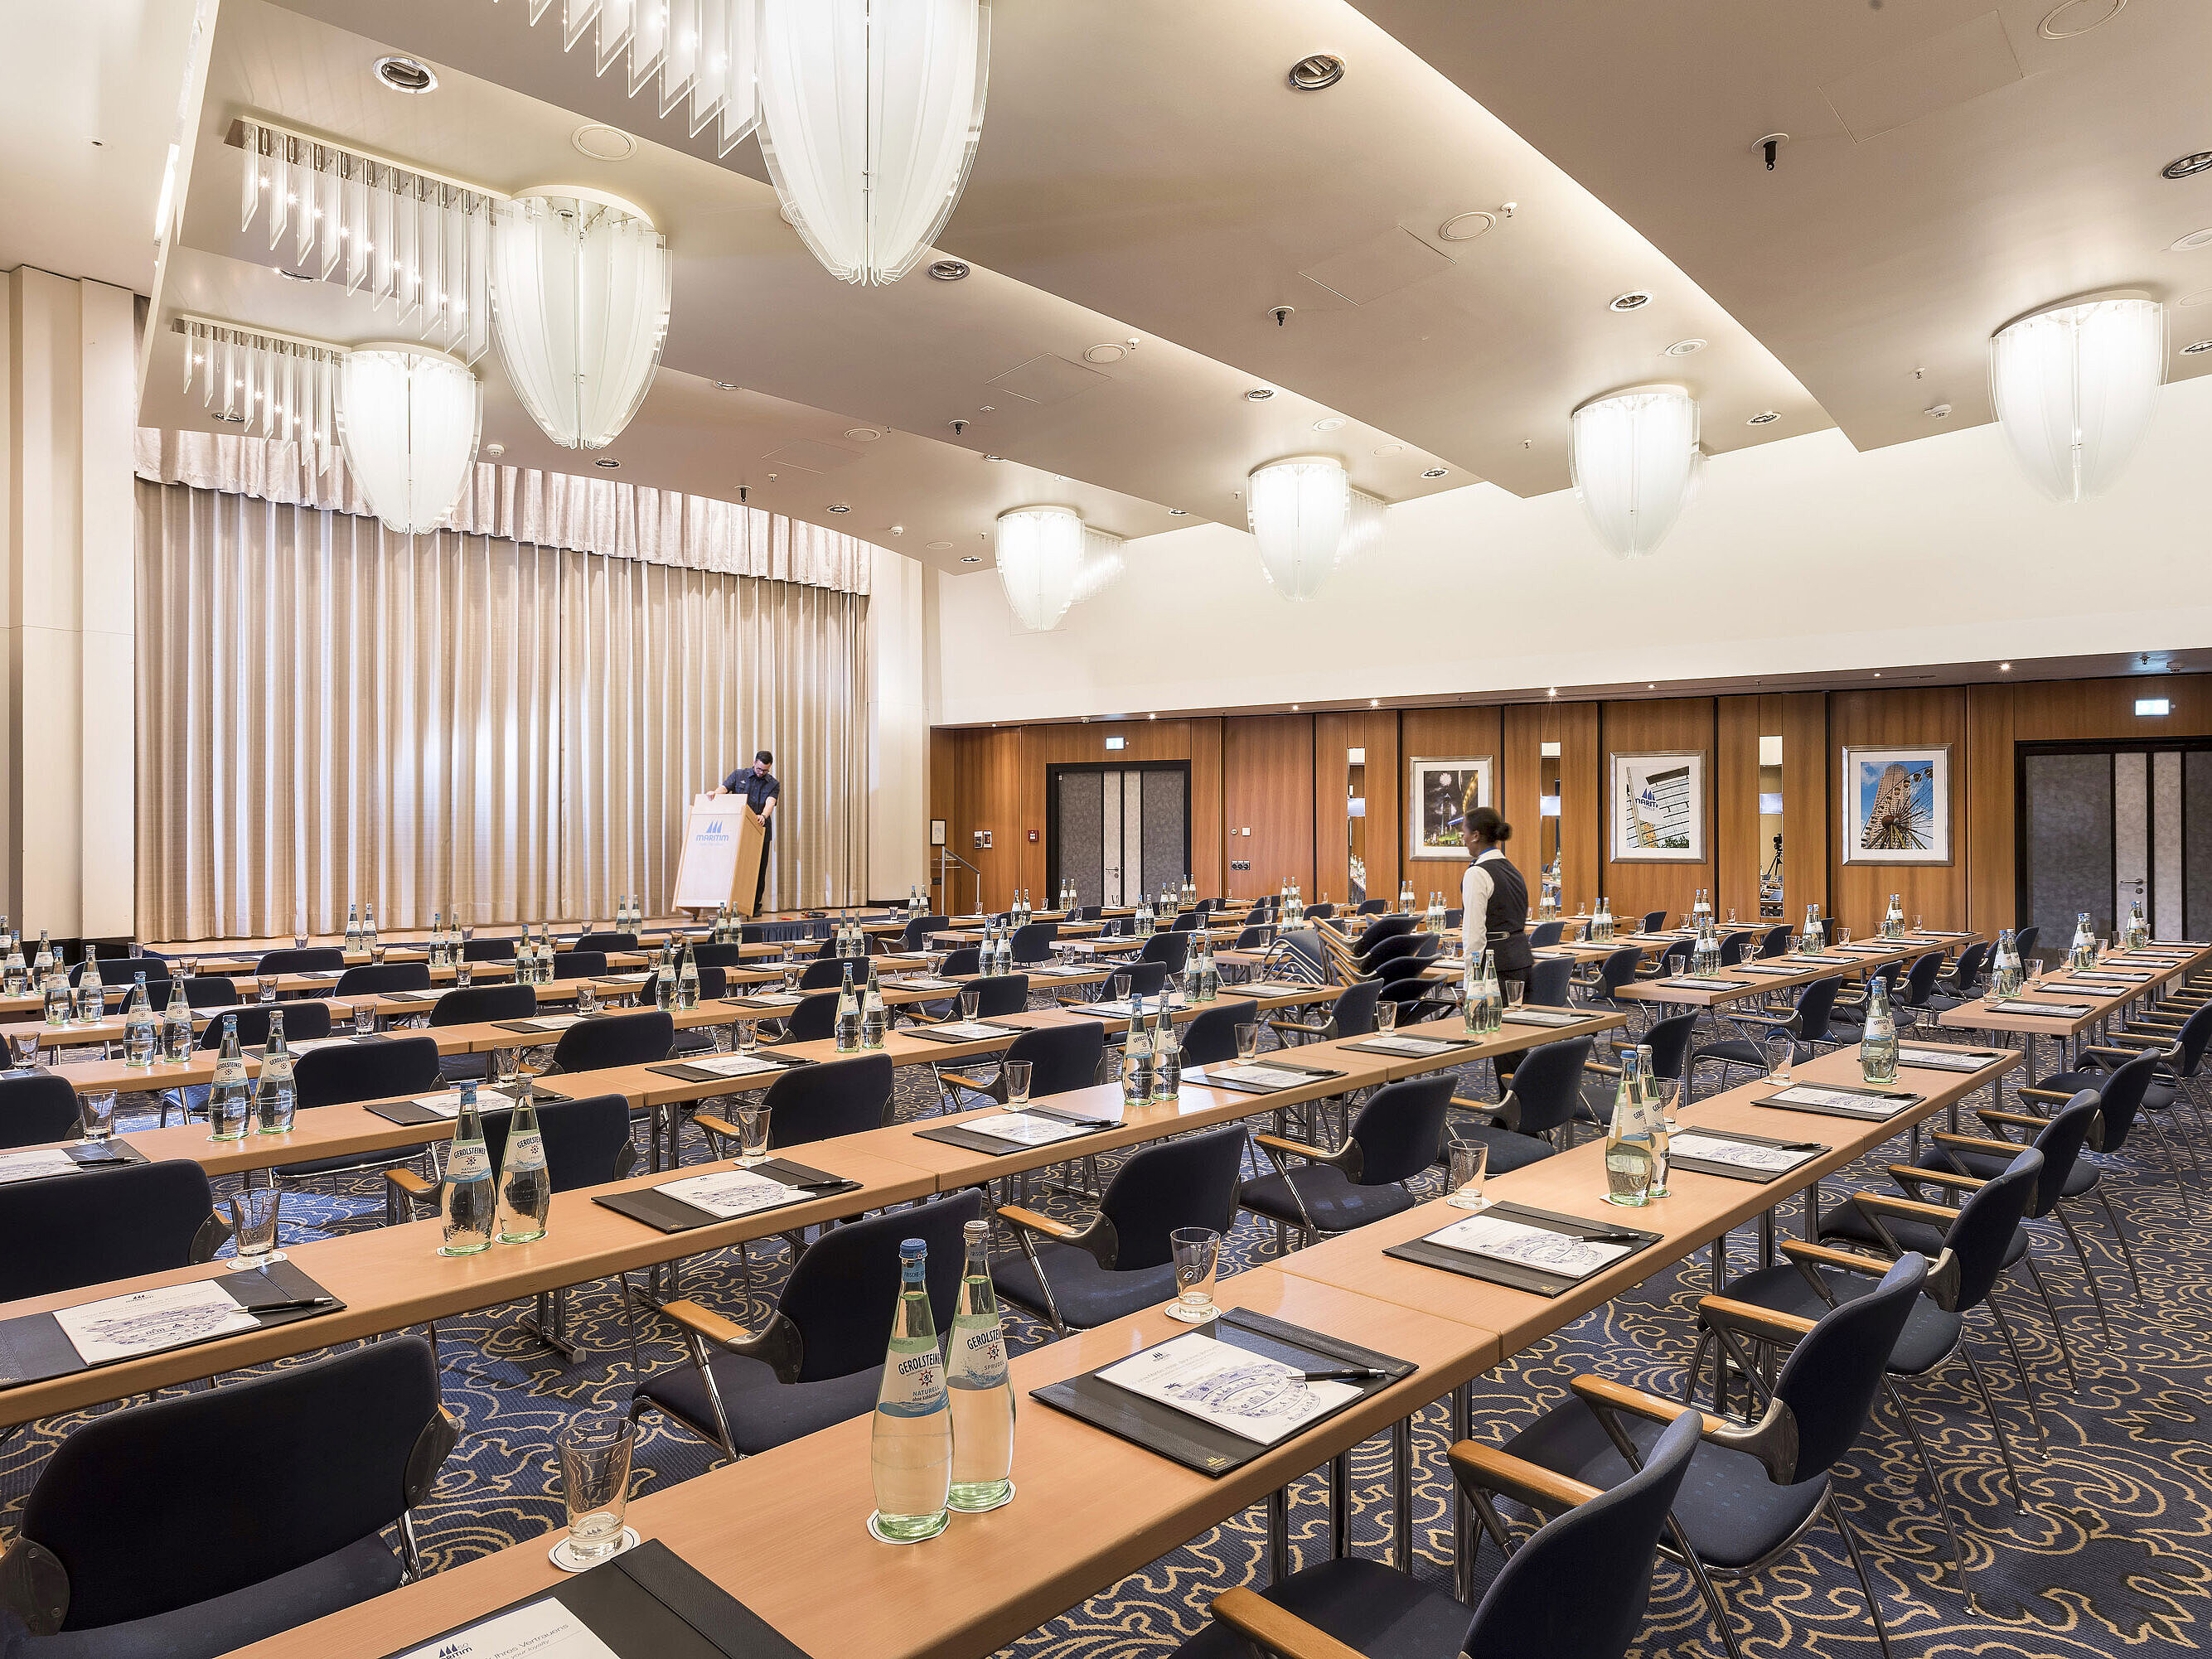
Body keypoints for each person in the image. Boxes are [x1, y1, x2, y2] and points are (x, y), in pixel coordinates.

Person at [1459, 800, 1532, 999]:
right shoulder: (1512, 870)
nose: (1463, 838)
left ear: (1476, 835)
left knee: (1490, 1021)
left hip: (1494, 969)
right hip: (1522, 961)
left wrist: (1469, 982)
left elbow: (1474, 934)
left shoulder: (1477, 873)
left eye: (1464, 832)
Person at [713, 750, 779, 916]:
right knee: (732, 867)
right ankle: (728, 904)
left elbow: (770, 803)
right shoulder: (739, 775)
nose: (761, 773)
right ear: (754, 763)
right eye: (759, 769)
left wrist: (764, 815)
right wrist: (714, 794)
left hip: (760, 830)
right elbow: (724, 788)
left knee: (758, 870)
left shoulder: (773, 784)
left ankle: (754, 907)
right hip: (737, 830)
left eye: (765, 770)